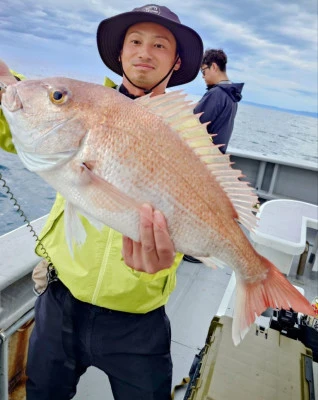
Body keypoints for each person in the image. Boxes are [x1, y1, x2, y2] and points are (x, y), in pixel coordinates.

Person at [0, 4, 203, 400]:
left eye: (160, 45)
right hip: (61, 300)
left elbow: (190, 211)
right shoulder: (81, 109)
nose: (145, 51)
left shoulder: (188, 137)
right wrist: (7, 84)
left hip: (138, 317)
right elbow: (23, 127)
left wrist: (167, 261)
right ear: (121, 54)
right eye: (135, 41)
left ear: (176, 62)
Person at [183, 49, 244, 264]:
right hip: (215, 161)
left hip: (202, 162)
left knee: (192, 208)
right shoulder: (232, 96)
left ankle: (195, 250)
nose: (203, 76)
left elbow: (192, 126)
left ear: (214, 67)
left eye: (203, 71)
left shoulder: (216, 94)